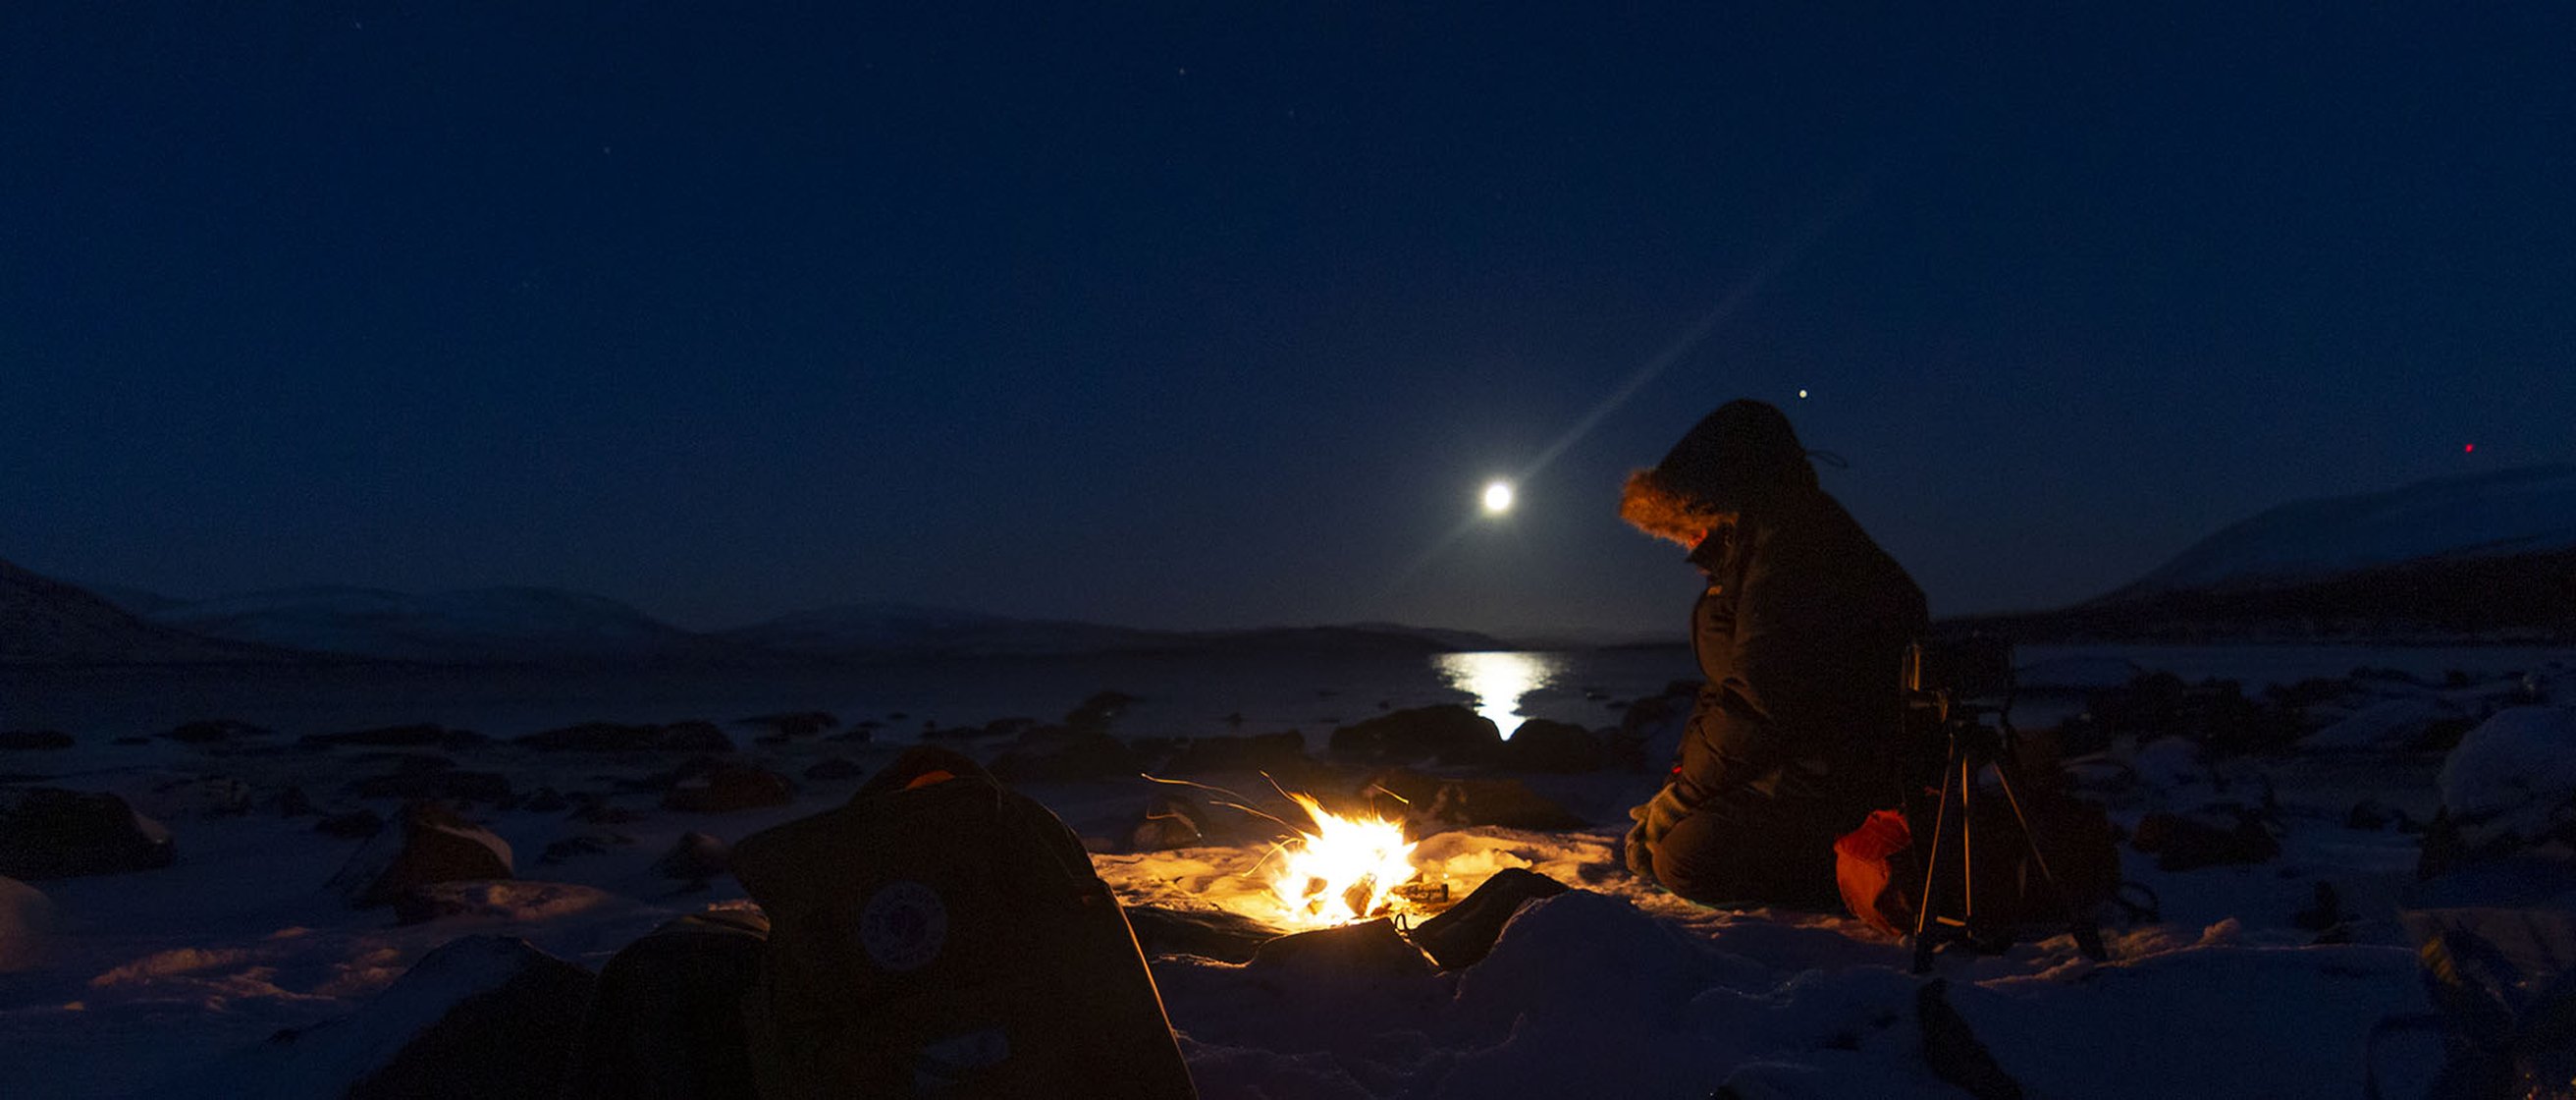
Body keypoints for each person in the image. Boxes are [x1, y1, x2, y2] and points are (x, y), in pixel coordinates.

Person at [1619, 399, 1928, 908]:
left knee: (1684, 859)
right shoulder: (1749, 559)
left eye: (1693, 518)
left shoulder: (1798, 547)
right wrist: (1678, 783)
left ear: (1727, 496)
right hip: (1789, 768)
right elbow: (1722, 690)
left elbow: (1762, 696)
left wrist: (1686, 798)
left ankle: (1862, 875)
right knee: (1668, 845)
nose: (1687, 542)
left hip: (1837, 779)